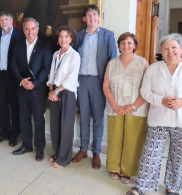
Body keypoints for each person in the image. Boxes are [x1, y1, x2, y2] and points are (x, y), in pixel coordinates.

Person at [125, 33, 182, 195]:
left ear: (181, 49)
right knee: (151, 153)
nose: (170, 51)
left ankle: (173, 186)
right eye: (166, 48)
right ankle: (142, 185)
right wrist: (161, 100)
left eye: (174, 47)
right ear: (161, 51)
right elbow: (145, 92)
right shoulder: (154, 69)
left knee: (179, 156)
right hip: (159, 119)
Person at [72, 4, 117, 169]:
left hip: (99, 82)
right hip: (82, 81)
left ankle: (96, 152)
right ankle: (83, 149)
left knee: (98, 118)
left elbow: (113, 61)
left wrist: (108, 84)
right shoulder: (78, 36)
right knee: (83, 117)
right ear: (84, 18)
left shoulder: (108, 35)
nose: (92, 18)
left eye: (95, 15)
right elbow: (73, 58)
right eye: (89, 15)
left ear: (99, 17)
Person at [103, 32, 149, 183]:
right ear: (119, 46)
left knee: (132, 140)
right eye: (122, 43)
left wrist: (133, 107)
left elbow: (147, 89)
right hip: (115, 108)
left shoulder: (142, 63)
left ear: (135, 45)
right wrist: (115, 106)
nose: (126, 46)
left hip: (136, 109)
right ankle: (114, 167)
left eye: (129, 43)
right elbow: (106, 86)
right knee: (115, 138)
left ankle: (127, 171)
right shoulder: (112, 63)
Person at [10, 18, 52, 161]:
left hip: (37, 91)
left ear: (37, 29)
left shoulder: (44, 46)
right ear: (23, 30)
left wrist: (35, 83)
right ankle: (27, 145)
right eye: (27, 29)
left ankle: (39, 148)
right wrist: (20, 80)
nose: (30, 31)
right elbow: (13, 65)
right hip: (22, 89)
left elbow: (46, 69)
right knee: (24, 119)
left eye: (32, 28)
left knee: (39, 120)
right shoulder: (18, 46)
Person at [0, 11, 26, 147]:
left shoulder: (20, 35)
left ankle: (14, 134)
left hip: (15, 78)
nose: (4, 22)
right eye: (1, 20)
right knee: (1, 106)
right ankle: (4, 132)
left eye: (6, 19)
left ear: (11, 21)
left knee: (15, 107)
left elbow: (23, 58)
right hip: (0, 77)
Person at [47, 26, 80, 168]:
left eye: (66, 36)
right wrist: (50, 89)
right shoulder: (56, 54)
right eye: (61, 36)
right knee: (55, 125)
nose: (63, 39)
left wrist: (56, 91)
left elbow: (71, 79)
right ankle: (57, 153)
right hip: (54, 92)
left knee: (66, 126)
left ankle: (64, 158)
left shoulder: (74, 56)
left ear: (71, 38)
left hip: (67, 93)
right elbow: (51, 74)